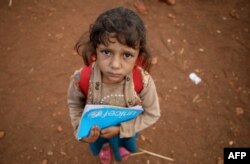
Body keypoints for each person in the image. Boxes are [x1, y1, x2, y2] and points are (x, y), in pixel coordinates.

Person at [67, 7, 160, 163]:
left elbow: (152, 113)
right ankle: (104, 148)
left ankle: (121, 145)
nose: (115, 65)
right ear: (95, 49)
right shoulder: (81, 79)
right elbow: (74, 105)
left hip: (126, 129)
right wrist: (82, 132)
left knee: (124, 141)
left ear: (138, 55)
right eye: (106, 52)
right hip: (97, 132)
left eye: (127, 55)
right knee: (101, 142)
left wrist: (121, 129)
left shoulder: (143, 82)